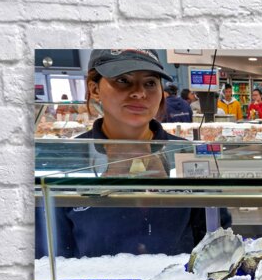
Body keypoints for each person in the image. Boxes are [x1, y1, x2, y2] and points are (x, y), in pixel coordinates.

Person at [37, 49, 203, 258]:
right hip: (97, 278)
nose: (139, 93)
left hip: (177, 277)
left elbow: (210, 232)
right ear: (94, 89)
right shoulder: (64, 160)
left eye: (150, 83)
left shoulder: (185, 152)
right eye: (123, 80)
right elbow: (53, 253)